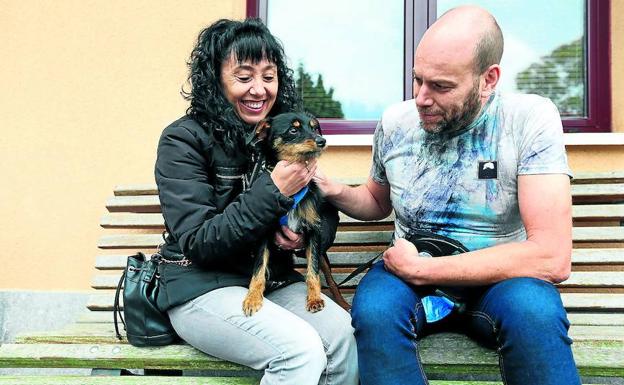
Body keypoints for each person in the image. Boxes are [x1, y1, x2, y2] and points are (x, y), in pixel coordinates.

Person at [314, 5, 580, 385]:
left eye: (441, 86)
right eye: (417, 80)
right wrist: (334, 189)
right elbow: (377, 200)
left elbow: (553, 257)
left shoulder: (529, 121)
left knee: (535, 311)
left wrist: (422, 269)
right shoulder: (396, 123)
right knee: (374, 311)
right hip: (411, 281)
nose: (421, 98)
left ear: (489, 79)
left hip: (499, 282)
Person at [154, 18, 358, 385]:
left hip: (275, 282)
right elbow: (200, 241)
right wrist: (272, 191)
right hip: (202, 286)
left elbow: (322, 212)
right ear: (215, 79)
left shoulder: (284, 134)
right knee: (299, 351)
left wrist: (305, 236)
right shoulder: (182, 141)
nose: (259, 90)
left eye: (269, 76)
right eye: (244, 76)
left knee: (343, 334)